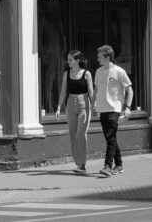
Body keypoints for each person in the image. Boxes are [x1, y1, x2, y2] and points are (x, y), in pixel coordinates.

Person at [93, 44, 133, 177]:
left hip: (114, 109)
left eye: (100, 56)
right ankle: (119, 164)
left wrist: (127, 107)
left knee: (110, 137)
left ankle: (107, 166)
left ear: (107, 57)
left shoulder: (119, 71)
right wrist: (94, 105)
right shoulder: (98, 72)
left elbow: (129, 90)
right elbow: (97, 91)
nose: (97, 58)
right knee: (111, 138)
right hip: (102, 109)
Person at [55, 50, 95, 174]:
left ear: (77, 60)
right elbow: (63, 91)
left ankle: (82, 164)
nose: (69, 62)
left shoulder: (86, 74)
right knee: (73, 135)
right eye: (68, 59)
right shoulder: (66, 74)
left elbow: (91, 91)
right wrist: (58, 107)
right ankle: (78, 164)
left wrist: (94, 107)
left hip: (84, 104)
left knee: (81, 134)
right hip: (70, 104)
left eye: (71, 60)